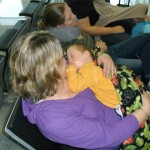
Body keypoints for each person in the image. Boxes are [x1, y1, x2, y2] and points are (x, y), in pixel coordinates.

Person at [9, 31, 150, 149]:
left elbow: (85, 61)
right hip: (123, 130)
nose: (66, 57)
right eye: (62, 57)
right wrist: (144, 110)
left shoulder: (57, 79)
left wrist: (102, 55)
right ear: (50, 72)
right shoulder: (54, 120)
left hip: (121, 102)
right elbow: (110, 136)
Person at [37, 2, 150, 82]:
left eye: (72, 13)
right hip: (105, 64)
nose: (75, 16)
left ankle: (147, 77)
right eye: (70, 17)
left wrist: (99, 45)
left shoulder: (71, 28)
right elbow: (88, 66)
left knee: (147, 37)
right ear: (60, 26)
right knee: (145, 63)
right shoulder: (64, 46)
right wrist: (100, 50)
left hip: (107, 51)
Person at [64, 0, 148, 46]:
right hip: (99, 30)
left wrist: (132, 15)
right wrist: (114, 30)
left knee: (141, 9)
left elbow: (106, 7)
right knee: (133, 42)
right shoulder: (76, 3)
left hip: (107, 17)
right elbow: (87, 30)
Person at [66, 43, 120, 110]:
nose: (69, 61)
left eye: (72, 56)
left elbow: (74, 86)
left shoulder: (89, 70)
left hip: (118, 104)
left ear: (86, 54)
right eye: (68, 59)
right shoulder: (93, 67)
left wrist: (70, 68)